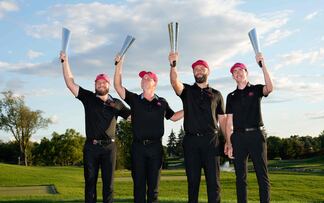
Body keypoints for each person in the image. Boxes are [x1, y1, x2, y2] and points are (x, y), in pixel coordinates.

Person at [60, 52, 131, 203]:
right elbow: (70, 83)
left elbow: (133, 118)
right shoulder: (89, 98)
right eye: (98, 82)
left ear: (108, 85)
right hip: (91, 148)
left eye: (103, 82)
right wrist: (65, 62)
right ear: (95, 85)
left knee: (109, 185)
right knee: (90, 184)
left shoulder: (117, 103)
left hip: (109, 148)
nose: (101, 84)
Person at [114, 54, 183, 203]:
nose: (144, 79)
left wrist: (190, 108)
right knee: (138, 187)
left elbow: (173, 117)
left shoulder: (162, 102)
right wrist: (119, 64)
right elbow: (118, 86)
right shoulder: (134, 99)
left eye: (148, 77)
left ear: (155, 83)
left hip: (156, 149)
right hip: (138, 147)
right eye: (142, 78)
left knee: (153, 189)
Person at [168, 52, 226, 203]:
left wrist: (228, 141)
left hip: (211, 141)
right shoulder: (187, 91)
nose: (199, 71)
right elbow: (175, 83)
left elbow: (223, 120)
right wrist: (173, 65)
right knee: (193, 183)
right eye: (196, 69)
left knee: (214, 183)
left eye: (202, 68)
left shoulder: (217, 95)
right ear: (193, 73)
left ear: (208, 71)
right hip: (191, 141)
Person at [224, 53, 273, 203]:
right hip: (238, 137)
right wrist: (229, 142)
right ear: (233, 76)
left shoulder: (257, 89)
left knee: (261, 175)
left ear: (246, 73)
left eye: (240, 70)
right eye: (235, 72)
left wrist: (262, 64)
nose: (238, 73)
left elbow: (270, 88)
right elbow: (228, 122)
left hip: (256, 136)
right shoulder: (231, 96)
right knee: (240, 177)